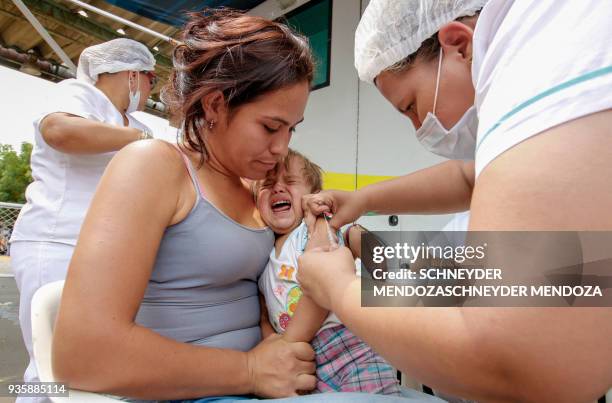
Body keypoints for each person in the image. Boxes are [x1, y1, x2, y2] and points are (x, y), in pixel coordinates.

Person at [51, 10, 440, 403]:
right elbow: (82, 354)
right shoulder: (153, 165)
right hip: (203, 390)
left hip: (281, 380)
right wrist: (250, 371)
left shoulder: (254, 186)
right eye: (271, 127)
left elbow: (311, 259)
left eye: (292, 129)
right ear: (216, 105)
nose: (282, 148)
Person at [298, 0, 612, 401]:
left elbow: (522, 362)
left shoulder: (544, 52)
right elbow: (470, 178)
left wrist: (339, 290)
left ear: (458, 44)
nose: (418, 128)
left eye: (411, 106)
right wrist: (362, 201)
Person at [9, 37, 156, 401]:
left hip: (100, 254)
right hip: (55, 239)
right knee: (50, 364)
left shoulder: (133, 121)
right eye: (152, 77)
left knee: (86, 363)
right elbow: (60, 131)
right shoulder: (78, 93)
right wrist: (137, 138)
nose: (154, 87)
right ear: (132, 74)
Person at [255, 149, 401, 395]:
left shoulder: (312, 227)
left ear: (313, 197)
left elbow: (322, 284)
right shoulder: (261, 256)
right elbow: (263, 314)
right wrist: (272, 346)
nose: (278, 188)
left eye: (290, 181)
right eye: (268, 184)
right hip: (304, 360)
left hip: (349, 343)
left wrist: (286, 343)